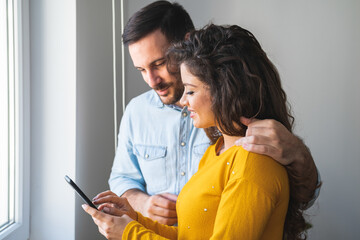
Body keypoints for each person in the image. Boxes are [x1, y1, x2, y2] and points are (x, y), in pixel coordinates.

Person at [84, 24, 310, 239]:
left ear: (224, 91)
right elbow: (189, 234)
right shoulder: (216, 152)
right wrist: (134, 220)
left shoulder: (252, 162)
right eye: (142, 69)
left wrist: (130, 234)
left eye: (190, 91)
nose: (183, 101)